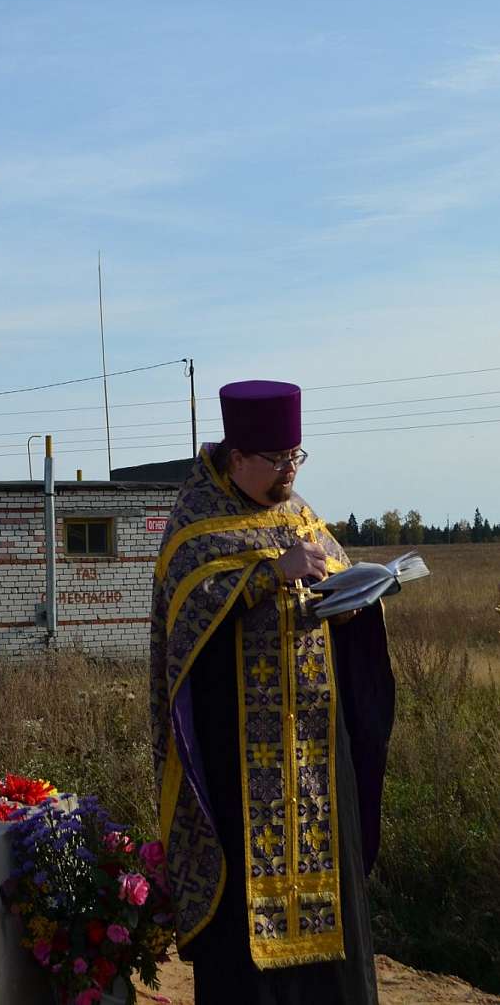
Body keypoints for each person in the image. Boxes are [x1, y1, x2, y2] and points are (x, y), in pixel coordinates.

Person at [149, 380, 395, 1004]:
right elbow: (186, 618)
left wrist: (354, 604)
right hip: (236, 756)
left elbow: (332, 583)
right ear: (237, 456)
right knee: (242, 935)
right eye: (277, 460)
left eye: (296, 457)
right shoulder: (196, 522)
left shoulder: (298, 513)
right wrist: (266, 575)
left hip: (315, 753)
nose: (290, 471)